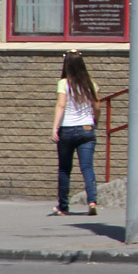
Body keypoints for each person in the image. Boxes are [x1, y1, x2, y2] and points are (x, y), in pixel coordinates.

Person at [51, 50, 100, 217]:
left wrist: (54, 128)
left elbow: (61, 105)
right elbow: (97, 106)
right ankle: (92, 201)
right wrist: (95, 122)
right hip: (87, 129)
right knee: (87, 167)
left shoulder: (64, 83)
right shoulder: (90, 83)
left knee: (65, 169)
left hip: (67, 130)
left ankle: (63, 207)